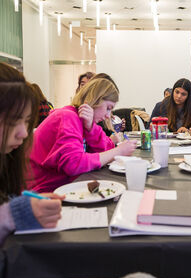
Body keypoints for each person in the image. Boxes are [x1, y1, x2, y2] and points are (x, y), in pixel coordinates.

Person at [28, 78, 137, 192]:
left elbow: (107, 149)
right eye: (108, 108)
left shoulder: (81, 120)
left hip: (60, 186)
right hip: (42, 192)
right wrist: (118, 151)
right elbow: (73, 164)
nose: (107, 116)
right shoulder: (68, 116)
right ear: (94, 100)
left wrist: (91, 128)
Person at [0, 63, 63, 245]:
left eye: (27, 121)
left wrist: (29, 204)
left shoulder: (8, 159)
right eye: (12, 122)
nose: (24, 133)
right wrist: (15, 212)